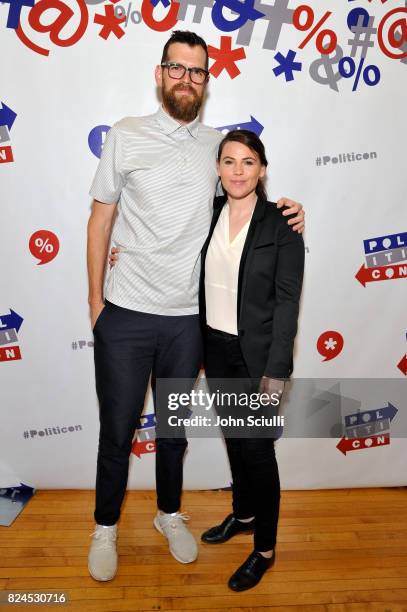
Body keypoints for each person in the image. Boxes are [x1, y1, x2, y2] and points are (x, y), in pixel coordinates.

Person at [87, 30, 305, 582]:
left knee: (174, 433)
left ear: (207, 80)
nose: (187, 79)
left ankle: (167, 514)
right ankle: (105, 527)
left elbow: (244, 195)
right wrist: (96, 303)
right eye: (177, 68)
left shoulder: (215, 147)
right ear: (160, 74)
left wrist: (288, 214)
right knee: (116, 430)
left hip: (188, 321)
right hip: (127, 313)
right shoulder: (126, 135)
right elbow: (100, 220)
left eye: (198, 71)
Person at [199, 129, 304, 591]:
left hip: (259, 359)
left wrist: (277, 370)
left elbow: (287, 303)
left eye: (247, 162)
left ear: (262, 169)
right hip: (216, 350)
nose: (237, 171)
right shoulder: (209, 213)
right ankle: (243, 515)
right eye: (228, 162)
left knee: (259, 452)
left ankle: (264, 548)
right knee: (235, 441)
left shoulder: (283, 223)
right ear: (218, 169)